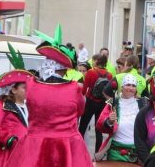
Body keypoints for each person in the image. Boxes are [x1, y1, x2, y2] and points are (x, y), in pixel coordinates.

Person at [7, 25, 92, 166]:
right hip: (67, 145)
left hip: (35, 144)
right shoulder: (74, 88)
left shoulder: (31, 85)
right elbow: (80, 111)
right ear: (63, 68)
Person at [0, 53, 32, 167]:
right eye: (24, 88)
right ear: (14, 90)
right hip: (7, 155)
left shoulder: (30, 106)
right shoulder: (2, 104)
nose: (28, 90)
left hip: (27, 154)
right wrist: (8, 139)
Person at [95, 74, 148, 163]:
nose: (130, 88)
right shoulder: (113, 103)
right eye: (128, 85)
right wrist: (109, 121)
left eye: (133, 86)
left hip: (137, 154)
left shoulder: (143, 104)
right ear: (122, 87)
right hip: (115, 152)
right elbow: (99, 126)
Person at [80, 53, 113, 151]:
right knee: (98, 129)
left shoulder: (91, 72)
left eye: (93, 60)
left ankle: (78, 150)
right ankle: (97, 153)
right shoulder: (109, 74)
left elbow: (84, 89)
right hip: (102, 103)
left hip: (90, 101)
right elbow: (109, 91)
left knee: (82, 127)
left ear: (96, 61)